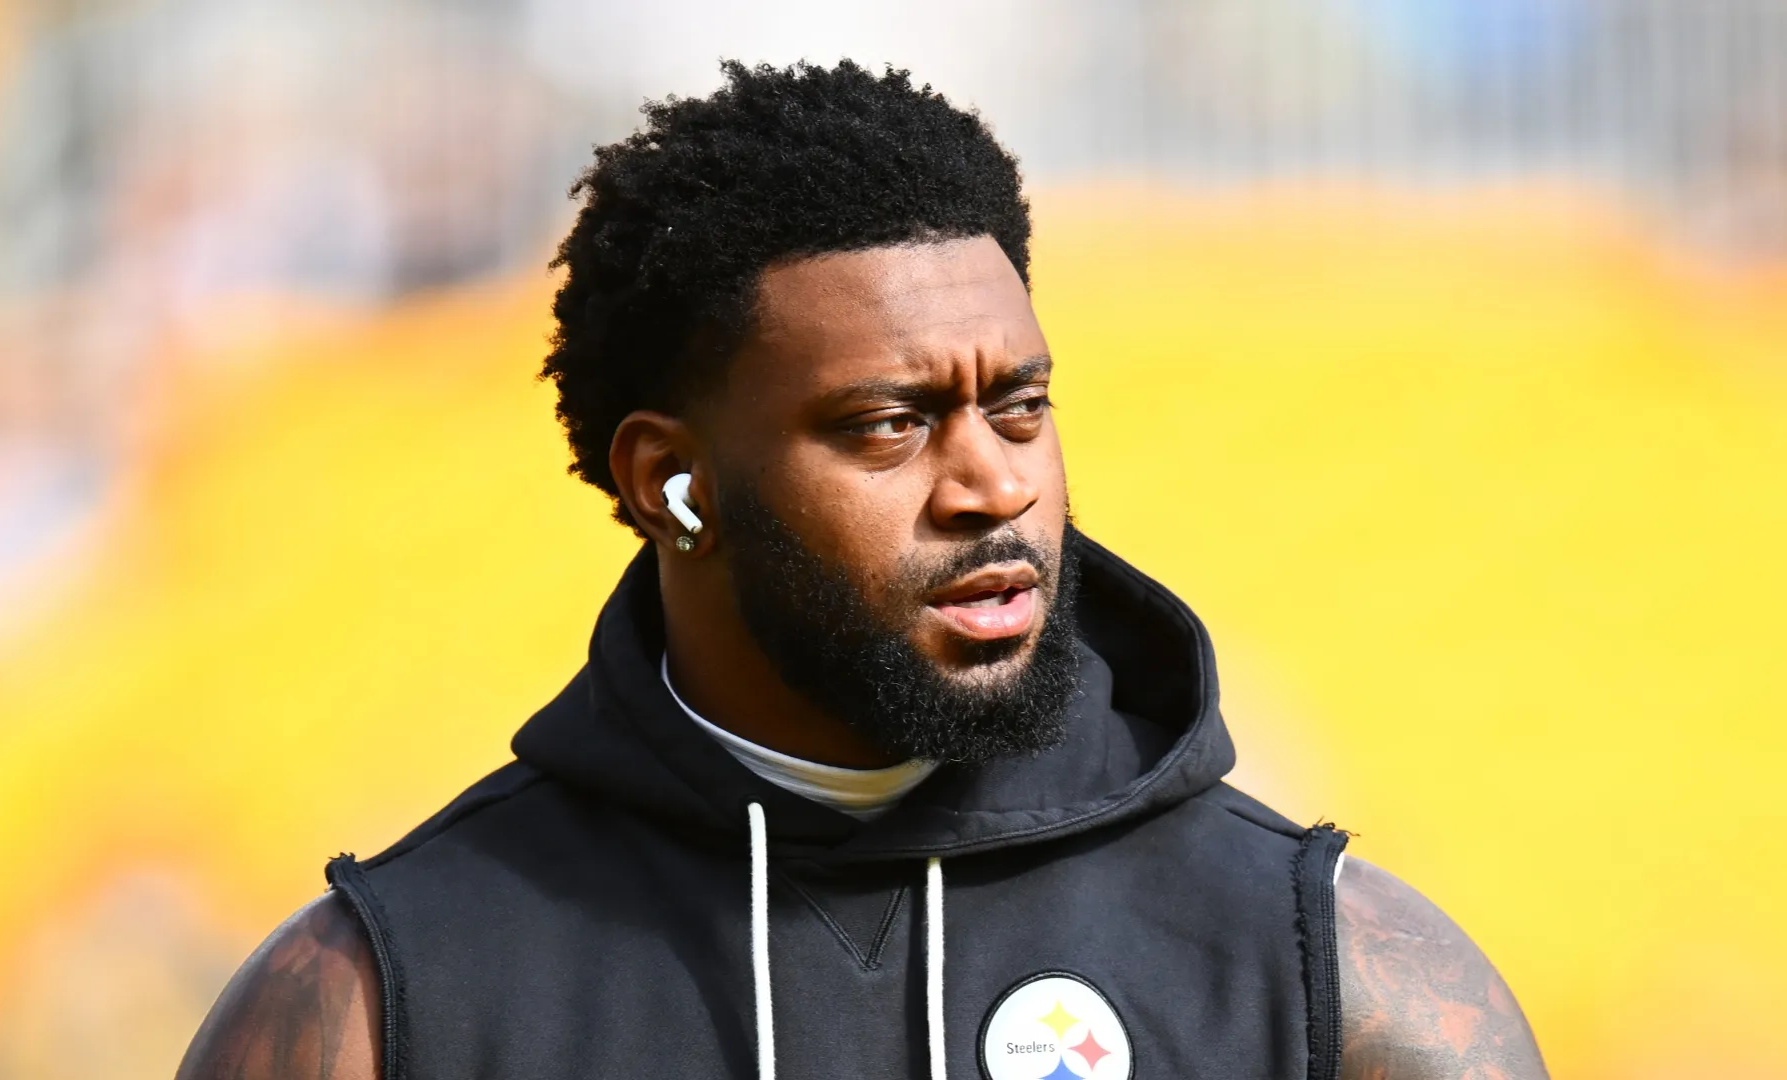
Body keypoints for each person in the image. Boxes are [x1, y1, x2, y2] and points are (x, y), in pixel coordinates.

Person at [176, 60, 1548, 1080]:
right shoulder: (385, 1003)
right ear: (674, 482)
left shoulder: (1335, 983)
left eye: (1020, 407)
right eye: (888, 426)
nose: (993, 485)